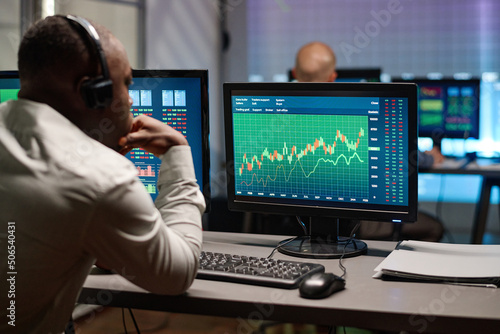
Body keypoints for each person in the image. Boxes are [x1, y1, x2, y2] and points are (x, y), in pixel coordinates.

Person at [0, 15, 205, 333]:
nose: (131, 98)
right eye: (126, 83)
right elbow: (177, 274)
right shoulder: (100, 178)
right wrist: (177, 151)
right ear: (91, 92)